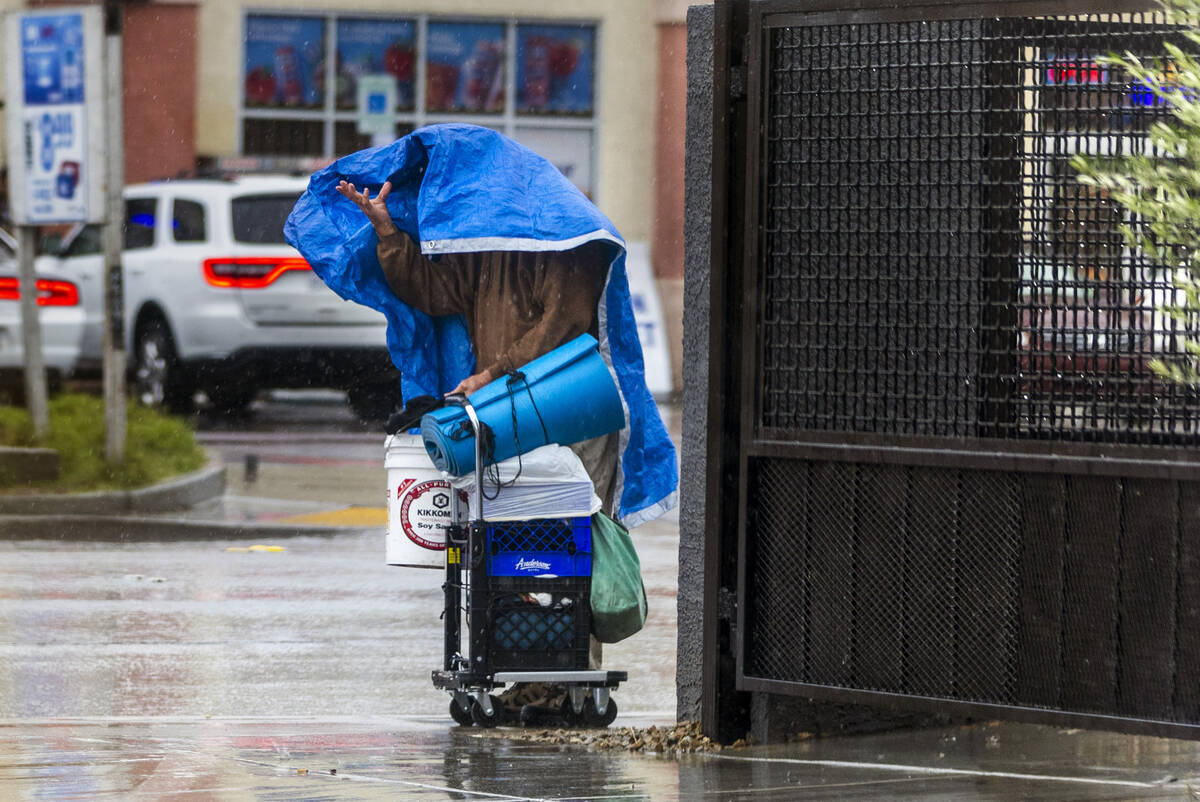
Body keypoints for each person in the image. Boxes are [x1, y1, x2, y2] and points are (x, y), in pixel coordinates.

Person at [337, 178, 616, 715]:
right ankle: (530, 669)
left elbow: (563, 327)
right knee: (519, 550)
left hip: (571, 411)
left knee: (568, 551)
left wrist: (491, 372)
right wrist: (388, 233)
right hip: (512, 419)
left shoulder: (568, 248)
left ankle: (562, 675)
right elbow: (435, 291)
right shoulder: (492, 253)